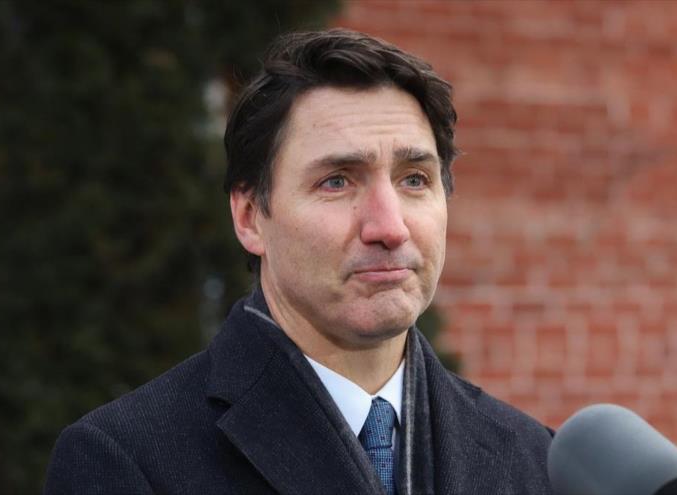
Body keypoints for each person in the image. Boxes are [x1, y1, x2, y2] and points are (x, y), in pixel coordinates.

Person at [44, 29, 554, 494]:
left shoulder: (534, 459)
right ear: (250, 218)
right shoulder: (125, 462)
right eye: (337, 181)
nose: (390, 226)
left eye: (414, 180)